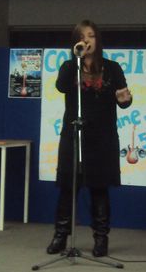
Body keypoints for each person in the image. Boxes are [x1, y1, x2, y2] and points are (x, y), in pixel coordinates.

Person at [46, 20, 133, 258]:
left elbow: (124, 100)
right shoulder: (69, 67)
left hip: (102, 137)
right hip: (74, 135)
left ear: (98, 40)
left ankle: (101, 238)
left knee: (99, 188)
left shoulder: (112, 68)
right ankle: (61, 235)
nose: (87, 40)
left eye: (91, 36)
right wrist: (76, 60)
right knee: (68, 187)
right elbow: (61, 87)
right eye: (82, 37)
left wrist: (126, 99)